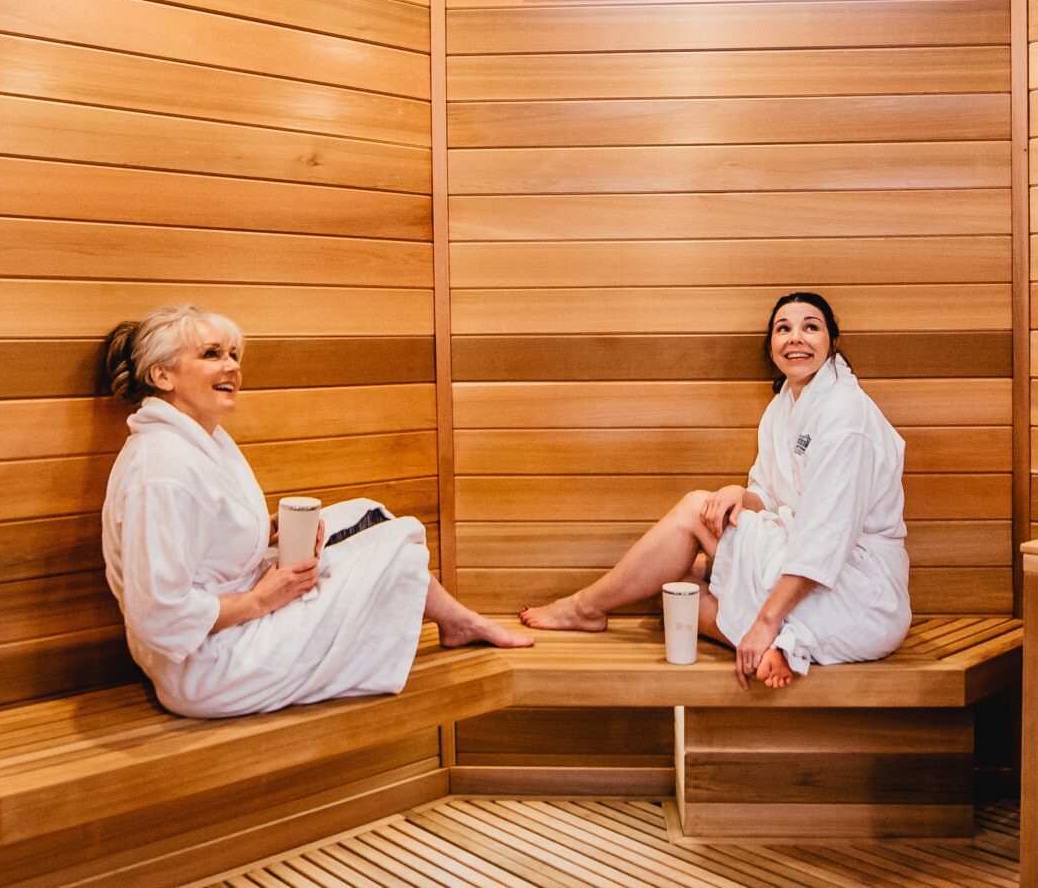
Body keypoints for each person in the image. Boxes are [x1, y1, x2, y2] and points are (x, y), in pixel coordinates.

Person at [98, 302, 527, 719]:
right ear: (162, 374)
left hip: (228, 627)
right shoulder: (161, 467)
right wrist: (260, 600)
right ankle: (463, 623)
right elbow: (159, 613)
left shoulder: (199, 441)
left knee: (367, 514)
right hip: (210, 665)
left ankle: (458, 623)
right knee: (396, 548)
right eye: (212, 355)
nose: (231, 366)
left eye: (233, 355)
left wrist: (270, 531)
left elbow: (201, 534)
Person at [520, 292, 911, 689]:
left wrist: (765, 620)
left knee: (694, 511)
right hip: (808, 561)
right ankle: (777, 646)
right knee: (673, 588)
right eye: (783, 328)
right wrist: (739, 495)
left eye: (811, 327)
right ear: (771, 346)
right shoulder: (783, 408)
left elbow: (825, 538)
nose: (796, 337)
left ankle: (585, 608)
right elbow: (771, 497)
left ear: (831, 342)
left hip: (858, 590)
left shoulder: (845, 415)